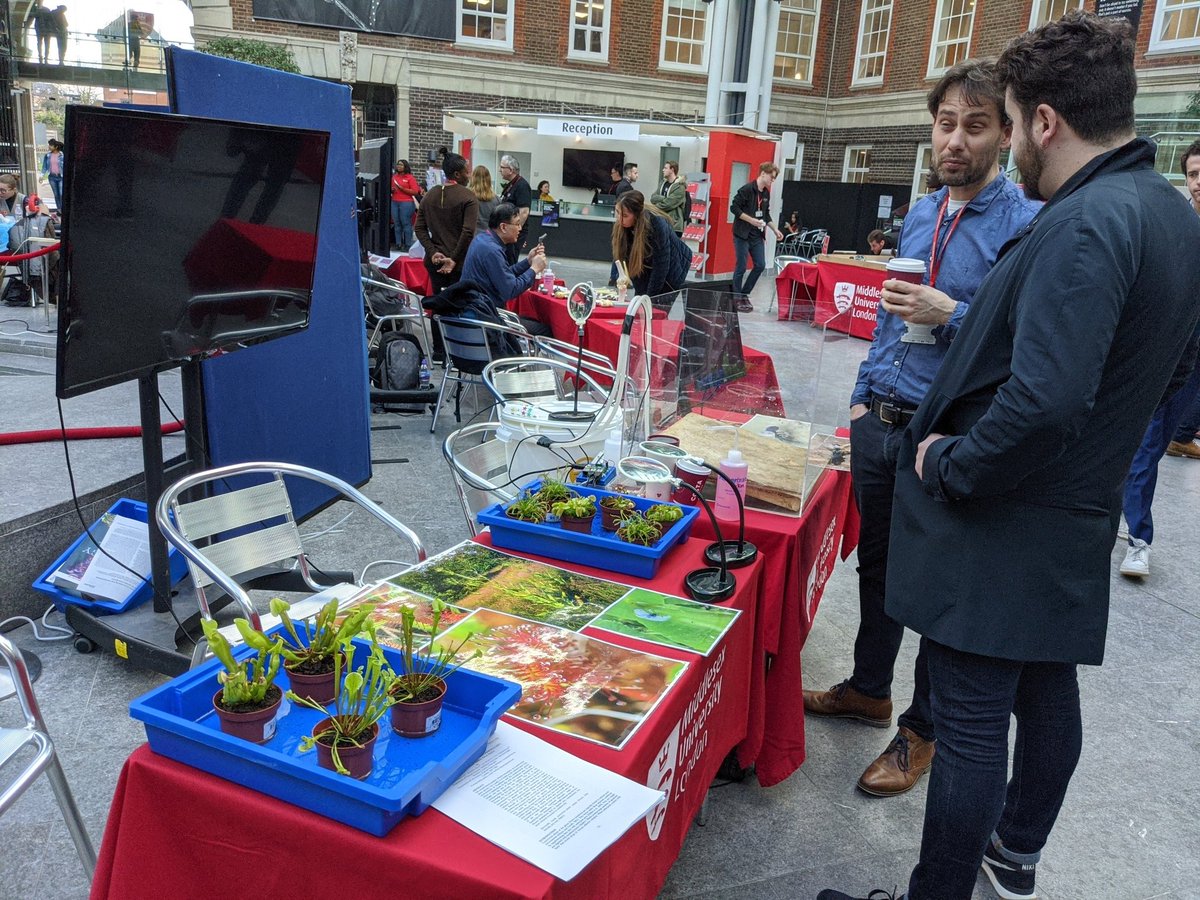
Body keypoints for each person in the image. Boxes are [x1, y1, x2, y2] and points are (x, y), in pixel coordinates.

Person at [818, 13, 1200, 900]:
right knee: (1046, 690)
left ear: (1044, 122)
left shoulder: (1083, 221)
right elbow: (1173, 371)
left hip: (1009, 515)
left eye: (1013, 118)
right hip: (1073, 504)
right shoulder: (1168, 215)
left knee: (971, 716)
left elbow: (1046, 399)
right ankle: (1013, 856)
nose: (1012, 140)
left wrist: (952, 463)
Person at [804, 59, 1039, 803]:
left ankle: (922, 729)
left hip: (946, 436)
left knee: (936, 591)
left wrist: (953, 314)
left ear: (1005, 134)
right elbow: (887, 315)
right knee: (879, 570)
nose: (956, 141)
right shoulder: (921, 211)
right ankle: (869, 688)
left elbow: (1023, 339)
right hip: (882, 422)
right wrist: (861, 399)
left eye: (975, 125)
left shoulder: (1024, 225)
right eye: (946, 125)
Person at [1117, 138, 1200, 578]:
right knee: (1147, 446)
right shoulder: (1175, 223)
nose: (1198, 182)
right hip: (1170, 351)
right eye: (1193, 174)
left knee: (1159, 440)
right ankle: (1139, 536)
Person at [460, 202, 552, 336]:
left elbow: (503, 275)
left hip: (475, 308)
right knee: (545, 330)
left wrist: (528, 261)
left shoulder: (482, 239)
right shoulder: (492, 250)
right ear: (503, 227)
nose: (520, 228)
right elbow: (510, 290)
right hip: (485, 317)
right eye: (517, 224)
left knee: (533, 320)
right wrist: (534, 269)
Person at [414, 151, 478, 296]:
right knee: (457, 304)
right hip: (459, 263)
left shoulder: (429, 195)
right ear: (457, 174)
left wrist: (432, 252)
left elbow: (419, 228)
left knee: (439, 301)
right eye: (466, 172)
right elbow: (468, 232)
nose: (469, 176)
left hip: (435, 261)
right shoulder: (468, 197)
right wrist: (453, 259)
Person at [611, 190, 692, 299]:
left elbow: (661, 265)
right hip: (648, 263)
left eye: (625, 215)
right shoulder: (623, 225)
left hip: (673, 266)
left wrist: (649, 299)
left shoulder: (656, 224)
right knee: (640, 300)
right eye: (617, 212)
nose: (619, 218)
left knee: (658, 303)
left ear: (636, 215)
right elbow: (628, 259)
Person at [729, 162, 783, 313]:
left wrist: (774, 229)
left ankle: (744, 294)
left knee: (760, 264)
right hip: (742, 234)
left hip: (756, 235)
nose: (773, 180)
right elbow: (734, 208)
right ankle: (736, 297)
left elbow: (766, 214)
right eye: (772, 177)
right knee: (741, 266)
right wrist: (750, 220)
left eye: (775, 178)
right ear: (763, 173)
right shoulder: (746, 189)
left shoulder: (765, 193)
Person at [498, 154, 531, 265]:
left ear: (511, 170)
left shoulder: (522, 185)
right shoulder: (511, 185)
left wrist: (515, 230)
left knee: (510, 261)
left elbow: (524, 212)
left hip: (512, 232)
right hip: (507, 230)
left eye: (502, 167)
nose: (500, 170)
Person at [389, 159, 420, 251]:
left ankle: (408, 244)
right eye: (398, 164)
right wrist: (392, 190)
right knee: (397, 224)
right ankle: (398, 243)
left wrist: (402, 189)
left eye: (401, 165)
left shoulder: (410, 178)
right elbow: (391, 188)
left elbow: (415, 191)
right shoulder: (394, 177)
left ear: (405, 167)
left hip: (406, 203)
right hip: (395, 201)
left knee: (406, 223)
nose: (399, 166)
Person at [656, 160, 687, 235]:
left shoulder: (680, 187)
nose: (663, 170)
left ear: (672, 170)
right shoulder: (662, 183)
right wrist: (665, 198)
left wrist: (654, 207)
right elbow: (653, 197)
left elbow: (668, 204)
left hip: (674, 225)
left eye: (665, 168)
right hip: (661, 222)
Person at [470, 165, 498, 232]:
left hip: (472, 235)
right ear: (489, 180)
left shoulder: (467, 197)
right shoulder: (497, 200)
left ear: (473, 178)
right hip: (489, 235)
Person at [41, 139, 64, 212]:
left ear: (56, 147)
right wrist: (42, 176)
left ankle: (63, 209)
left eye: (51, 145)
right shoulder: (47, 155)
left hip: (61, 177)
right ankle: (59, 209)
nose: (49, 147)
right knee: (56, 194)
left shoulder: (62, 155)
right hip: (52, 177)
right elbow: (44, 167)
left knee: (61, 194)